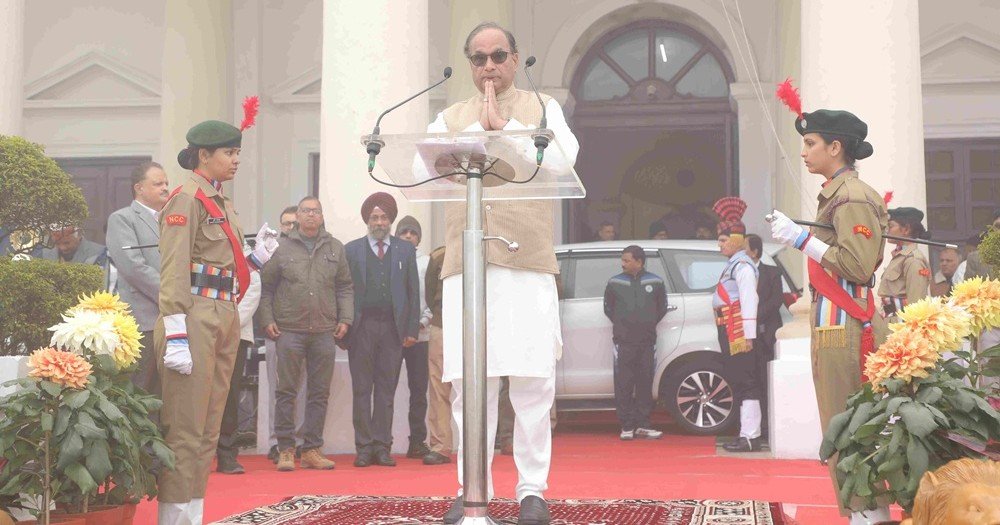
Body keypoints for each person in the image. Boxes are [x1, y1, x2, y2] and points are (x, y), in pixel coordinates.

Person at [429, 22, 579, 525]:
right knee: (471, 384)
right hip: (467, 267)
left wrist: (506, 130)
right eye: (479, 59)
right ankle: (471, 489)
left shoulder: (543, 108)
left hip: (526, 262)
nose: (489, 67)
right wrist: (476, 130)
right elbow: (421, 163)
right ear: (469, 64)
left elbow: (563, 160)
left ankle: (532, 490)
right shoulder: (449, 116)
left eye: (498, 56)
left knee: (533, 382)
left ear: (516, 58)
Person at [154, 110, 280, 524]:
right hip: (192, 317)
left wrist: (255, 259)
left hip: (223, 314)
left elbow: (220, 266)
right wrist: (174, 330)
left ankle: (192, 513)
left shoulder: (220, 199)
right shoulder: (186, 199)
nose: (237, 159)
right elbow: (174, 268)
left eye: (238, 151)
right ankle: (174, 517)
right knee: (185, 429)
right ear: (203, 155)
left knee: (208, 430)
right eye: (230, 151)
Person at [770, 93, 891, 523]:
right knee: (842, 424)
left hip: (848, 326)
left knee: (849, 426)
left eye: (811, 144)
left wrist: (802, 239)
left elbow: (857, 267)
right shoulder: (837, 194)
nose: (803, 153)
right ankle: (864, 511)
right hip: (833, 324)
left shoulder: (852, 196)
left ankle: (867, 514)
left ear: (835, 148)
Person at [259, 196, 352, 472]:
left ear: (322, 216)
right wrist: (266, 319)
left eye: (316, 211)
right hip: (288, 330)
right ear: (297, 216)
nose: (311, 215)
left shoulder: (335, 248)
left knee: (319, 393)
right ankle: (286, 449)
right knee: (286, 391)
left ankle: (312, 449)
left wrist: (345, 318)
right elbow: (266, 288)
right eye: (306, 211)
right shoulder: (280, 249)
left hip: (324, 331)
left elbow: (345, 286)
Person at [344, 192, 420, 468]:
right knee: (362, 390)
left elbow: (414, 291)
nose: (379, 221)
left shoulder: (404, 249)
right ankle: (363, 448)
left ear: (390, 220)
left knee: (386, 390)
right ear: (367, 220)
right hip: (361, 328)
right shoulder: (351, 250)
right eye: (374, 217)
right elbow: (343, 290)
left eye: (384, 217)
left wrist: (412, 328)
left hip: (392, 329)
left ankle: (382, 446)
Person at [105, 161, 170, 396]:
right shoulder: (122, 218)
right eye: (158, 183)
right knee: (140, 391)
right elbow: (133, 266)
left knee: (164, 393)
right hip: (143, 319)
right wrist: (172, 295)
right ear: (139, 188)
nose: (165, 188)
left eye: (166, 183)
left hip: (172, 319)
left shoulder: (171, 220)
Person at [711, 197, 761, 453]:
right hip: (729, 328)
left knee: (745, 381)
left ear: (737, 240)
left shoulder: (742, 266)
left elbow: (749, 300)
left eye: (722, 240)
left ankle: (750, 436)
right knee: (738, 379)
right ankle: (745, 433)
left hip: (738, 330)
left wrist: (748, 335)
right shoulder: (733, 265)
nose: (719, 244)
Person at [603, 245, 668, 441]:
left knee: (644, 383)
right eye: (622, 260)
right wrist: (625, 326)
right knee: (623, 383)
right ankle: (626, 425)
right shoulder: (614, 282)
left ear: (639, 262)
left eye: (627, 260)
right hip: (623, 342)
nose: (622, 264)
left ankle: (643, 425)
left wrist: (646, 324)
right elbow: (608, 308)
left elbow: (661, 308)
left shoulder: (655, 282)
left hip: (647, 342)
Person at [262, 205, 307, 462]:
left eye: (293, 223)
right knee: (276, 391)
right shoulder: (270, 253)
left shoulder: (307, 251)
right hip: (277, 330)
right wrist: (268, 321)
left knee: (301, 390)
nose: (289, 228)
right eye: (285, 224)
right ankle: (275, 441)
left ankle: (297, 441)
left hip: (304, 330)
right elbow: (264, 290)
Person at [215, 245, 262, 474]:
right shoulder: (201, 248)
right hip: (202, 331)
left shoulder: (244, 252)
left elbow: (252, 290)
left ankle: (227, 453)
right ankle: (199, 456)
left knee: (230, 396)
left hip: (236, 334)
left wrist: (227, 324)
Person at [394, 215, 434, 462]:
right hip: (393, 337)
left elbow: (430, 297)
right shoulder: (389, 260)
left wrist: (422, 322)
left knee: (419, 391)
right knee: (386, 390)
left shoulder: (427, 263)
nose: (408, 235)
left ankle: (417, 441)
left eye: (413, 232)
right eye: (404, 232)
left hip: (421, 335)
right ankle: (381, 443)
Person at [745, 233, 783, 437]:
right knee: (751, 381)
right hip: (747, 337)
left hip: (765, 334)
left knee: (767, 381)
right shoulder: (739, 272)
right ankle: (754, 427)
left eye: (745, 248)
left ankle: (769, 427)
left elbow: (776, 300)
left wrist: (753, 316)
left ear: (754, 251)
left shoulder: (772, 273)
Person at [423, 245, 452, 465]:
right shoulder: (439, 255)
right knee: (438, 388)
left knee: (477, 391)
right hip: (442, 326)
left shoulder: (486, 249)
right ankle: (440, 446)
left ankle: (478, 448)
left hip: (477, 330)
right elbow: (430, 292)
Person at [877, 207, 930, 321]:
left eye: (890, 226)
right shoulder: (900, 257)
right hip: (889, 320)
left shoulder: (914, 260)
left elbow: (916, 305)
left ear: (906, 229)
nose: (887, 230)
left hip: (902, 325)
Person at [41, 226, 107, 267]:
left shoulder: (100, 253)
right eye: (57, 243)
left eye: (66, 243)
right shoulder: (44, 254)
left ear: (79, 236)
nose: (62, 248)